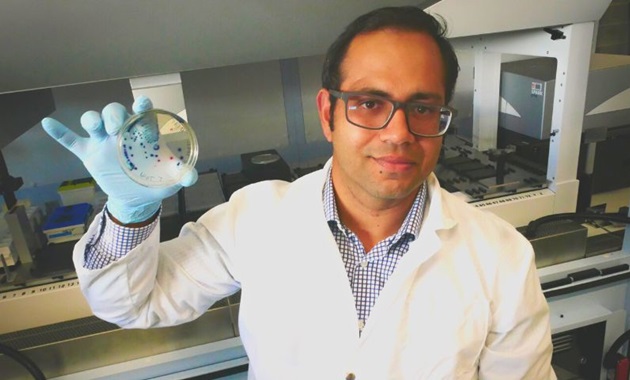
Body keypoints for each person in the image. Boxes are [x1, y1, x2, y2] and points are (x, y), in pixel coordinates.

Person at [41, 6, 556, 380]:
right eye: (370, 103)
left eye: (422, 108)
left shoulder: (502, 257)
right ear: (327, 113)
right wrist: (131, 211)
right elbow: (130, 305)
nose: (399, 133)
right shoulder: (255, 218)